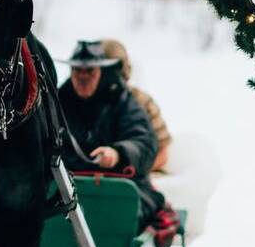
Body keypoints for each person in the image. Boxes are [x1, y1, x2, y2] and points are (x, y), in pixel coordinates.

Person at [58, 40, 165, 231]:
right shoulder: (58, 101)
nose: (83, 77)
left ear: (102, 72)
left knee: (121, 213)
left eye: (90, 71)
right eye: (77, 70)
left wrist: (118, 153)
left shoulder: (123, 102)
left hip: (120, 186)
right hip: (65, 186)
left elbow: (144, 143)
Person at [100, 39, 171, 172]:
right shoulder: (81, 101)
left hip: (134, 175)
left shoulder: (142, 101)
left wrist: (132, 171)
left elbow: (162, 152)